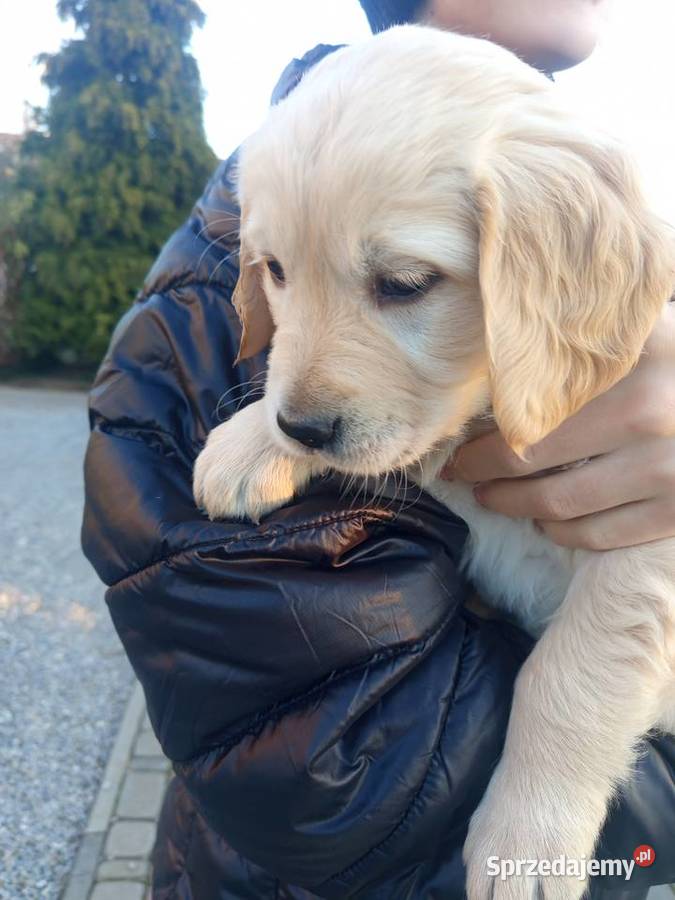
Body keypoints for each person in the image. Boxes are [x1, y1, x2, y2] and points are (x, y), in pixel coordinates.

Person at [81, 1, 675, 897]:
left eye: (397, 283)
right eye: (275, 272)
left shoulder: (549, 188)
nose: (302, 397)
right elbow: (344, 779)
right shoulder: (216, 279)